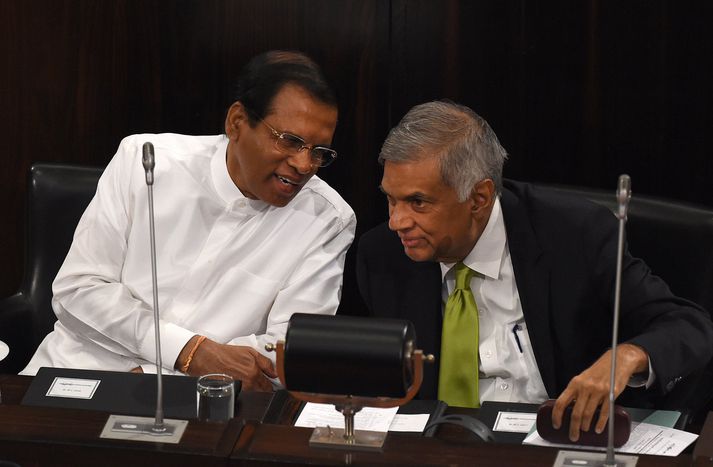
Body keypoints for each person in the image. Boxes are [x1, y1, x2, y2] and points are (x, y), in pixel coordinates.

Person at [356, 100, 713, 441]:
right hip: (434, 448)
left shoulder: (574, 236)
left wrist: (626, 357)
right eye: (391, 199)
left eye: (418, 202)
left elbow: (687, 325)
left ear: (479, 198)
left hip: (555, 442)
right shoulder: (383, 256)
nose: (397, 221)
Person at [21, 51, 356, 391]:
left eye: (319, 152)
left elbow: (290, 349)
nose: (303, 165)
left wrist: (160, 378)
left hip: (207, 402)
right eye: (291, 141)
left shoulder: (325, 219)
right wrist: (189, 352)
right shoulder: (144, 161)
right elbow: (78, 290)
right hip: (76, 374)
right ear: (237, 122)